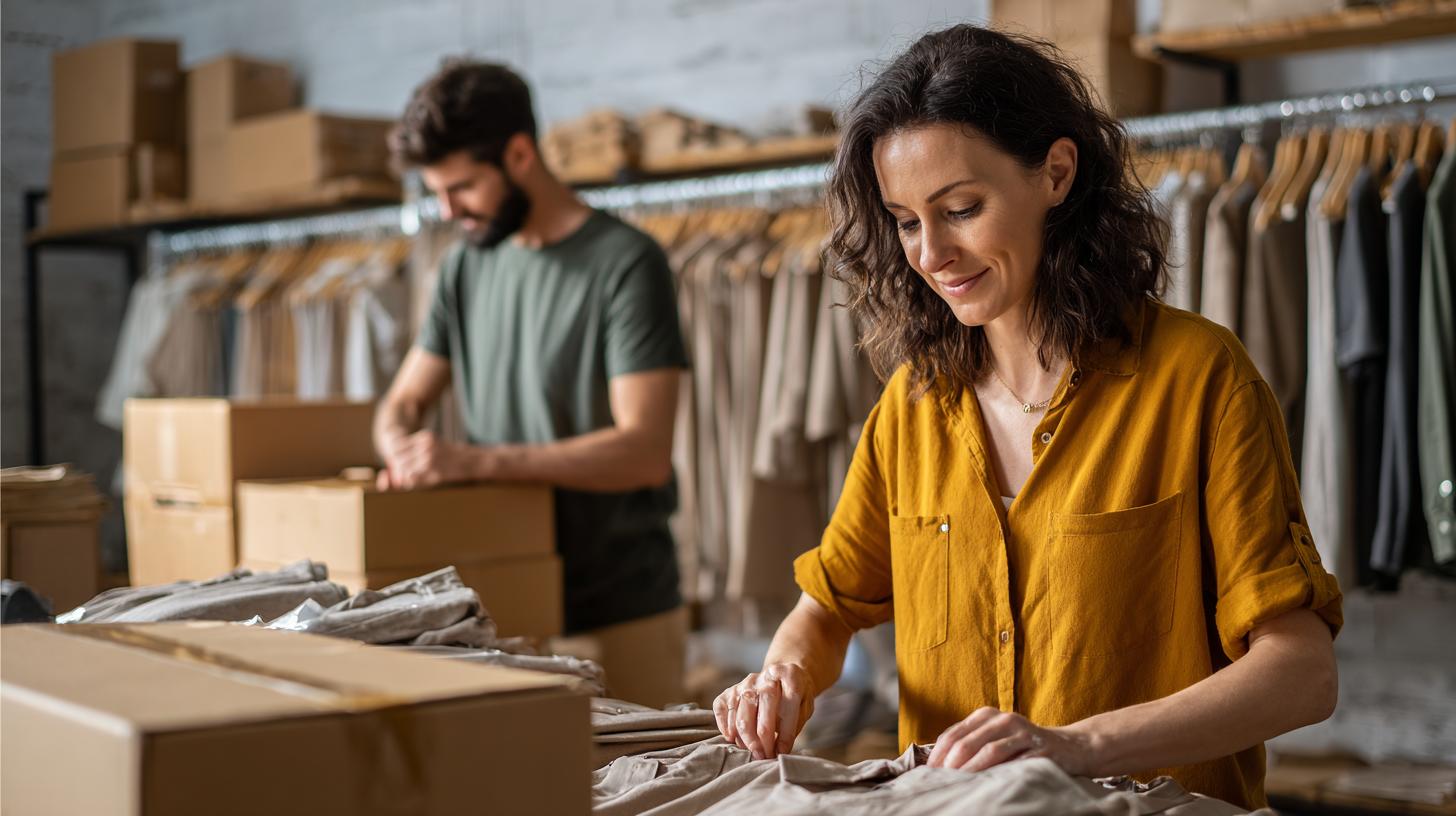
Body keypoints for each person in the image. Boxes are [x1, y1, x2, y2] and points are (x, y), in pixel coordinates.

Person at [713, 26, 1341, 810]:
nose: (932, 254)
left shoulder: (1198, 380)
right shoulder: (912, 407)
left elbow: (1303, 674)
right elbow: (826, 609)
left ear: (1056, 173)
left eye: (961, 209)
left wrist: (1078, 746)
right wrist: (783, 679)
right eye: (907, 221)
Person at [378, 60, 690, 708]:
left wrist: (470, 461)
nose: (447, 209)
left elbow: (644, 450)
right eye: (437, 191)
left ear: (519, 153)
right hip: (502, 607)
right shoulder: (464, 265)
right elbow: (402, 403)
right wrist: (400, 449)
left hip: (618, 608)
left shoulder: (627, 263)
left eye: (461, 187)